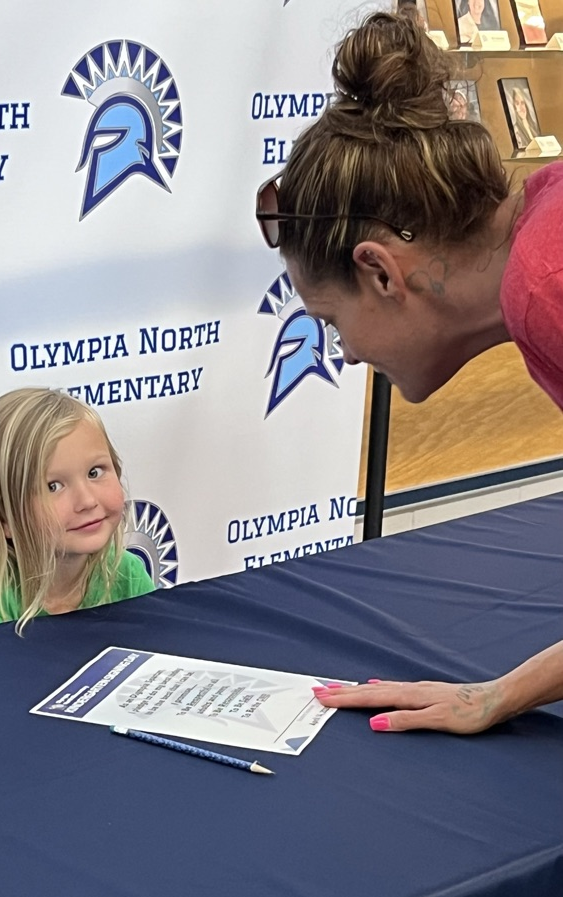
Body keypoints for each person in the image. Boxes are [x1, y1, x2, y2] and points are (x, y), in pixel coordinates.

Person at [255, 10, 563, 733]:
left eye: (332, 322)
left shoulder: (543, 285)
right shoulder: (543, 229)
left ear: (380, 272)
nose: (347, 354)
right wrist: (498, 695)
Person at [0, 388, 154, 645]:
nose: (87, 501)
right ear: (3, 518)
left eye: (95, 472)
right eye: (53, 486)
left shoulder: (125, 573)